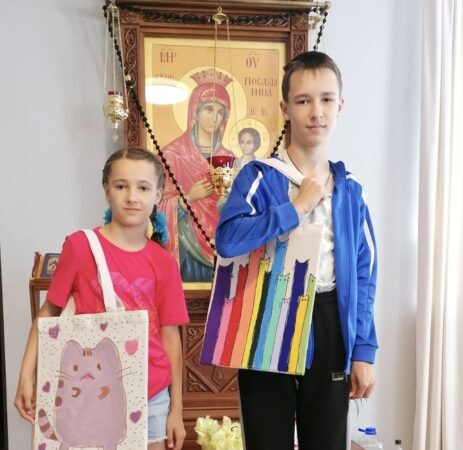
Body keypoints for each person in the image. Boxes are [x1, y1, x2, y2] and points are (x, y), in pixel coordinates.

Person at [215, 51, 378, 450]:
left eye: (326, 99)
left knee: (327, 440)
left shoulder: (351, 189)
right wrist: (296, 207)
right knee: (266, 439)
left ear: (340, 106)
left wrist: (364, 350)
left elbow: (364, 273)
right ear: (285, 108)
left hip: (329, 318)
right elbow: (228, 239)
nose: (316, 111)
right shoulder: (259, 176)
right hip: (268, 314)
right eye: (303, 100)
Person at [15, 147, 189, 450]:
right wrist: (26, 374)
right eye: (121, 186)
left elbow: (170, 337)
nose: (132, 197)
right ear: (107, 190)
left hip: (153, 394)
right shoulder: (80, 246)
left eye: (143, 188)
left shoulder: (164, 262)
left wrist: (176, 409)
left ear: (158, 195)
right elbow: (48, 314)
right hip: (91, 391)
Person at [160, 68, 235, 282]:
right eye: (209, 109)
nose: (215, 118)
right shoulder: (171, 155)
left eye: (220, 112)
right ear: (195, 111)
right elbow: (155, 209)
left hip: (223, 246)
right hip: (187, 245)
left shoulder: (231, 159)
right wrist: (188, 198)